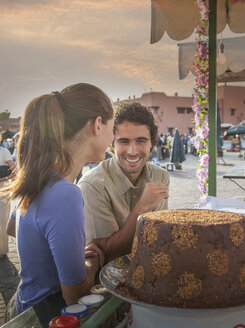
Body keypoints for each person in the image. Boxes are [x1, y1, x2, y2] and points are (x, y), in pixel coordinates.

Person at [2, 83, 114, 322]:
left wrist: (68, 253)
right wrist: (90, 264)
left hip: (22, 306)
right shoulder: (65, 193)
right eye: (112, 128)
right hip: (45, 317)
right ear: (97, 125)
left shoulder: (36, 176)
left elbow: (14, 229)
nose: (112, 138)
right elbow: (75, 295)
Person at [78, 102, 169, 263]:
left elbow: (156, 236)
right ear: (112, 144)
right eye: (123, 141)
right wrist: (141, 208)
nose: (132, 151)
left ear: (151, 144)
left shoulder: (160, 177)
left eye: (141, 141)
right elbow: (110, 256)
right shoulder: (92, 185)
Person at [0, 141, 16, 259]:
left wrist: (5, 178)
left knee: (1, 220)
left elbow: (15, 171)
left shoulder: (4, 152)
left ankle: (2, 250)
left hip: (2, 190)